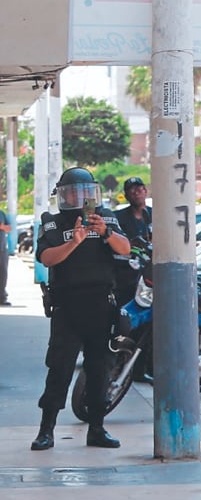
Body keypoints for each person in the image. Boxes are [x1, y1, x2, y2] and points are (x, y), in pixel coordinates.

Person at [31, 166, 131, 451]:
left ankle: (97, 429)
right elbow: (47, 259)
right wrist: (74, 242)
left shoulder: (106, 217)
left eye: (85, 191)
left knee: (99, 370)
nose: (79, 196)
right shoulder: (51, 223)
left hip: (100, 306)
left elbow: (125, 249)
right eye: (73, 191)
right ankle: (46, 430)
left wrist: (106, 232)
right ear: (63, 194)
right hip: (67, 307)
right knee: (59, 369)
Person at [113, 176, 152, 306]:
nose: (136, 192)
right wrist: (131, 243)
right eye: (131, 190)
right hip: (126, 274)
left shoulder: (156, 214)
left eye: (139, 188)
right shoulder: (118, 217)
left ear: (145, 190)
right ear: (126, 195)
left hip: (151, 271)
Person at [0, 206, 11, 306]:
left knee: (3, 273)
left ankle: (2, 297)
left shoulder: (1, 213)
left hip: (2, 248)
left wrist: (2, 227)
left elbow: (8, 228)